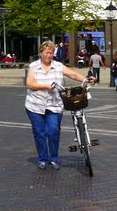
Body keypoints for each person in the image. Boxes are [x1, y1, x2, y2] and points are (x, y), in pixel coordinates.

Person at [25, 40, 94, 170]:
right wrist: (45, 86)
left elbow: (72, 74)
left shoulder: (58, 66)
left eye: (51, 53)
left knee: (53, 131)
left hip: (54, 105)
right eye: (46, 53)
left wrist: (85, 79)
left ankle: (54, 158)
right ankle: (43, 159)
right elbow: (29, 83)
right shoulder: (33, 66)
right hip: (35, 105)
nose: (49, 56)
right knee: (39, 133)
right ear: (41, 53)